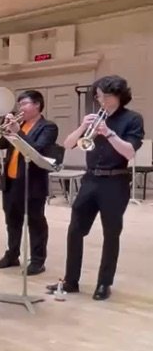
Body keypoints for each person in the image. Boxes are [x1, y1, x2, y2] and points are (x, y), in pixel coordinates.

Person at [47, 75, 144, 300]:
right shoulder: (95, 117)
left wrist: (108, 133)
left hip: (115, 182)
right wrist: (84, 125)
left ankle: (104, 283)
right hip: (90, 180)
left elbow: (129, 152)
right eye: (99, 96)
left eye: (105, 96)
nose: (101, 101)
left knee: (111, 234)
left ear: (118, 95)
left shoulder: (132, 119)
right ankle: (71, 281)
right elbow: (69, 144)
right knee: (75, 230)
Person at [0, 89, 59, 276]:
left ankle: (37, 261)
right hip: (11, 180)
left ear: (37, 105)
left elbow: (37, 149)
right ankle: (12, 255)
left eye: (24, 104)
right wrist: (3, 128)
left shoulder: (48, 127)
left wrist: (18, 132)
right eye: (19, 104)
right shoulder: (19, 124)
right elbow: (1, 144)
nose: (20, 108)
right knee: (12, 221)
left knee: (35, 222)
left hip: (33, 182)